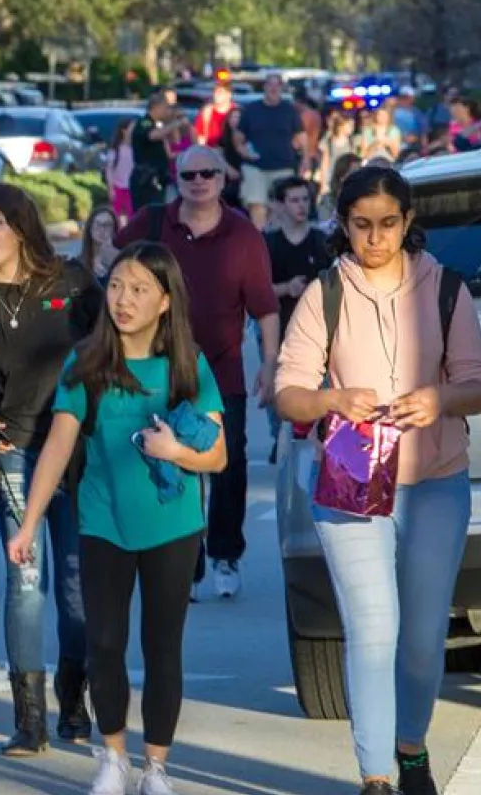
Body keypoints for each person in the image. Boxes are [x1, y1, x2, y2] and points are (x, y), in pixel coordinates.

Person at [275, 166, 481, 795]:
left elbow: (480, 385)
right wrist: (332, 400)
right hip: (353, 478)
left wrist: (439, 398)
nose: (375, 238)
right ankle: (376, 777)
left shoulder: (446, 288)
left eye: (388, 224)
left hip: (436, 481)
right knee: (374, 630)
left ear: (408, 222)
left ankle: (411, 749)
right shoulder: (326, 292)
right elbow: (287, 392)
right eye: (361, 225)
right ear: (343, 225)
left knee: (424, 639)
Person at [7, 241, 227, 795]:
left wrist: (176, 452)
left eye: (139, 290)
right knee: (103, 643)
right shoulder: (86, 364)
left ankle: (156, 768)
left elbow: (219, 455)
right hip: (103, 523)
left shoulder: (187, 366)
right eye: (118, 286)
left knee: (162, 648)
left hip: (173, 527)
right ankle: (113, 756)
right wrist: (29, 523)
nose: (124, 300)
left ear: (165, 301)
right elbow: (58, 446)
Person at [0, 183, 103, 756]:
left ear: (21, 227)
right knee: (26, 579)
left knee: (76, 585)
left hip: (78, 449)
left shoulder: (72, 281)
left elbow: (111, 346)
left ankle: (74, 692)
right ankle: (29, 719)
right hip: (15, 449)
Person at [113, 145, 279, 600]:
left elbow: (265, 307)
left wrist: (269, 362)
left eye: (208, 174)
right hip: (160, 367)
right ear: (177, 180)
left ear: (223, 179)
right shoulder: (153, 223)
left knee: (228, 462)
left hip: (222, 369)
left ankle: (225, 552)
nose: (199, 182)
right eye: (189, 175)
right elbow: (111, 260)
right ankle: (186, 559)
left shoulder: (243, 235)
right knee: (170, 461)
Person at [262, 176, 328, 463]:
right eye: (294, 200)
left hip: (317, 330)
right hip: (278, 326)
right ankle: (280, 436)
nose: (301, 206)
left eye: (305, 199)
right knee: (279, 385)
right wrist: (286, 288)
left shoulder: (321, 241)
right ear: (280, 205)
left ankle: (315, 433)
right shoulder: (269, 244)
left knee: (315, 384)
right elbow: (258, 289)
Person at [234, 73, 306, 228]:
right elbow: (238, 137)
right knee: (257, 205)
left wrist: (304, 161)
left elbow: (301, 137)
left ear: (281, 88)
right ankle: (260, 238)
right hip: (255, 167)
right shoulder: (251, 109)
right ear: (265, 87)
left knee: (281, 208)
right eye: (270, 85)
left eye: (277, 85)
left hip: (283, 166)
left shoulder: (289, 110)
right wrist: (243, 151)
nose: (273, 88)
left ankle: (276, 239)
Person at [130, 92, 185, 209]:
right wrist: (176, 124)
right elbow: (152, 135)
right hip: (146, 178)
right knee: (149, 210)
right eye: (165, 107)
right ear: (157, 107)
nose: (166, 111)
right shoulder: (144, 122)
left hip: (159, 176)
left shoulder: (157, 124)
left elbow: (171, 146)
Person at [104, 120, 135, 219]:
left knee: (132, 215)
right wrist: (111, 188)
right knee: (115, 215)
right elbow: (109, 169)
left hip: (131, 188)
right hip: (117, 187)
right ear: (124, 131)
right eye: (132, 128)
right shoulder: (115, 149)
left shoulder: (136, 148)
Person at [80, 206, 120, 280]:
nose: (102, 229)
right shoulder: (79, 262)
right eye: (98, 224)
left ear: (114, 229)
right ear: (90, 227)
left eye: (107, 225)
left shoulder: (121, 258)